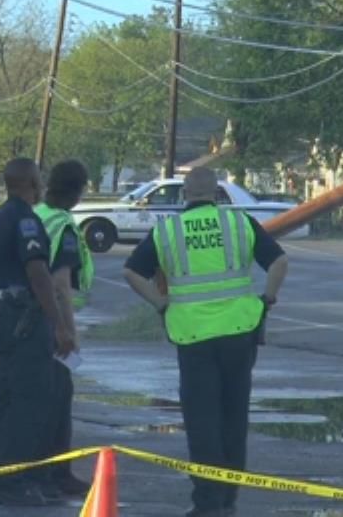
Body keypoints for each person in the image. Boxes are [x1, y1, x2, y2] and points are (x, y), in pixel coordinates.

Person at [122, 167, 289, 517]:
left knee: (202, 422)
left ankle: (206, 504)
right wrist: (267, 299)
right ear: (217, 193)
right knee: (233, 416)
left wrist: (160, 303)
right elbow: (279, 261)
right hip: (239, 331)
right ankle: (228, 500)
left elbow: (131, 271)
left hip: (192, 334)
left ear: (185, 194)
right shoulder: (238, 223)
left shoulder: (168, 231)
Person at [0, 158, 76, 507]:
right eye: (39, 180)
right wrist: (59, 325)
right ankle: (12, 482)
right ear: (32, 182)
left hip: (1, 312)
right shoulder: (25, 220)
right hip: (24, 319)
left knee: (7, 400)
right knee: (30, 402)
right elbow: (39, 275)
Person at [33, 159, 95, 498]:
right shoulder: (64, 225)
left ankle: (43, 471)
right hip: (52, 322)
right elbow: (60, 284)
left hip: (29, 319)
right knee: (58, 400)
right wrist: (69, 331)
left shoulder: (38, 216)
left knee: (39, 400)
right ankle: (58, 474)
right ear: (78, 190)